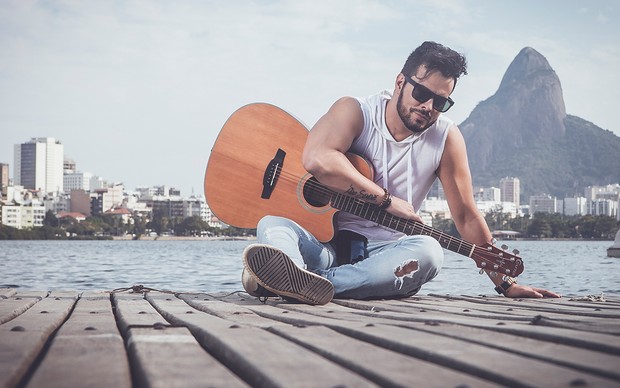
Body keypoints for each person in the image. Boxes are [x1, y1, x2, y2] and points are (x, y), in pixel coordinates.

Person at [241, 41, 561, 305]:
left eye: (441, 102)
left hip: (385, 258)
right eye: (422, 94)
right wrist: (386, 199)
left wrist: (504, 282)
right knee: (273, 224)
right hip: (323, 246)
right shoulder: (356, 112)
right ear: (400, 82)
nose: (428, 106)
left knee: (430, 252)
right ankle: (298, 277)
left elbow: (465, 216)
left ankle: (301, 284)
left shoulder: (446, 140)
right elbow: (316, 158)